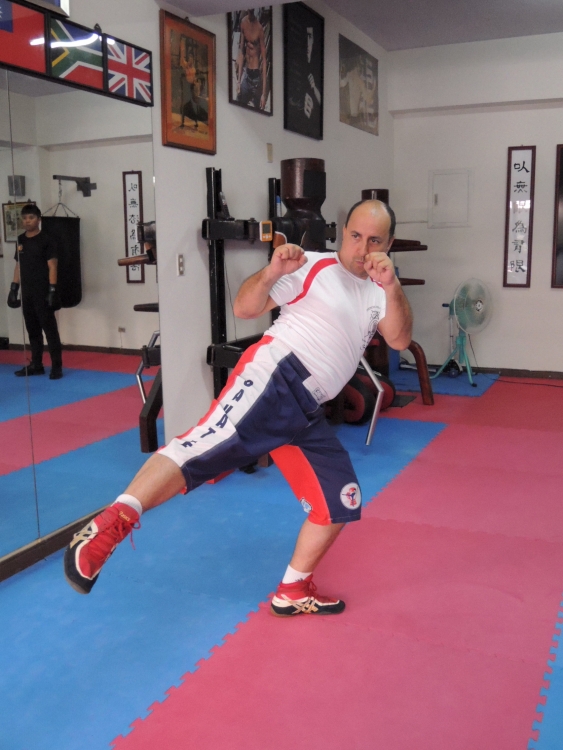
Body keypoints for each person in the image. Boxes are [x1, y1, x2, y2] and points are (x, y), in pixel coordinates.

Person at [64, 200, 412, 616]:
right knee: (201, 448)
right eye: (355, 236)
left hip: (307, 411)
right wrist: (272, 272)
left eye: (374, 241)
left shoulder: (381, 289)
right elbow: (245, 308)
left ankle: (293, 589)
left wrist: (392, 285)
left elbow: (399, 340)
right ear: (344, 231)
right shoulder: (314, 266)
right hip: (276, 378)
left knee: (341, 500)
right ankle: (106, 528)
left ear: (388, 244)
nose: (363, 248)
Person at [7, 204, 63, 380]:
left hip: (43, 290)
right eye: (24, 218)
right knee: (33, 330)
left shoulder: (47, 239)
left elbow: (52, 265)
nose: (27, 221)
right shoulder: (20, 240)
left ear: (38, 220)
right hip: (27, 292)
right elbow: (19, 265)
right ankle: (37, 365)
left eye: (31, 218)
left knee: (50, 330)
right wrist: (14, 288)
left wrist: (52, 290)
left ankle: (57, 366)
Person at [235, 9, 268, 110]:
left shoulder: (259, 28)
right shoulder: (243, 23)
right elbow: (241, 51)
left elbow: (264, 60)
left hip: (256, 78)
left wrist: (263, 94)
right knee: (238, 103)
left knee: (258, 109)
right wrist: (238, 81)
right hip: (247, 74)